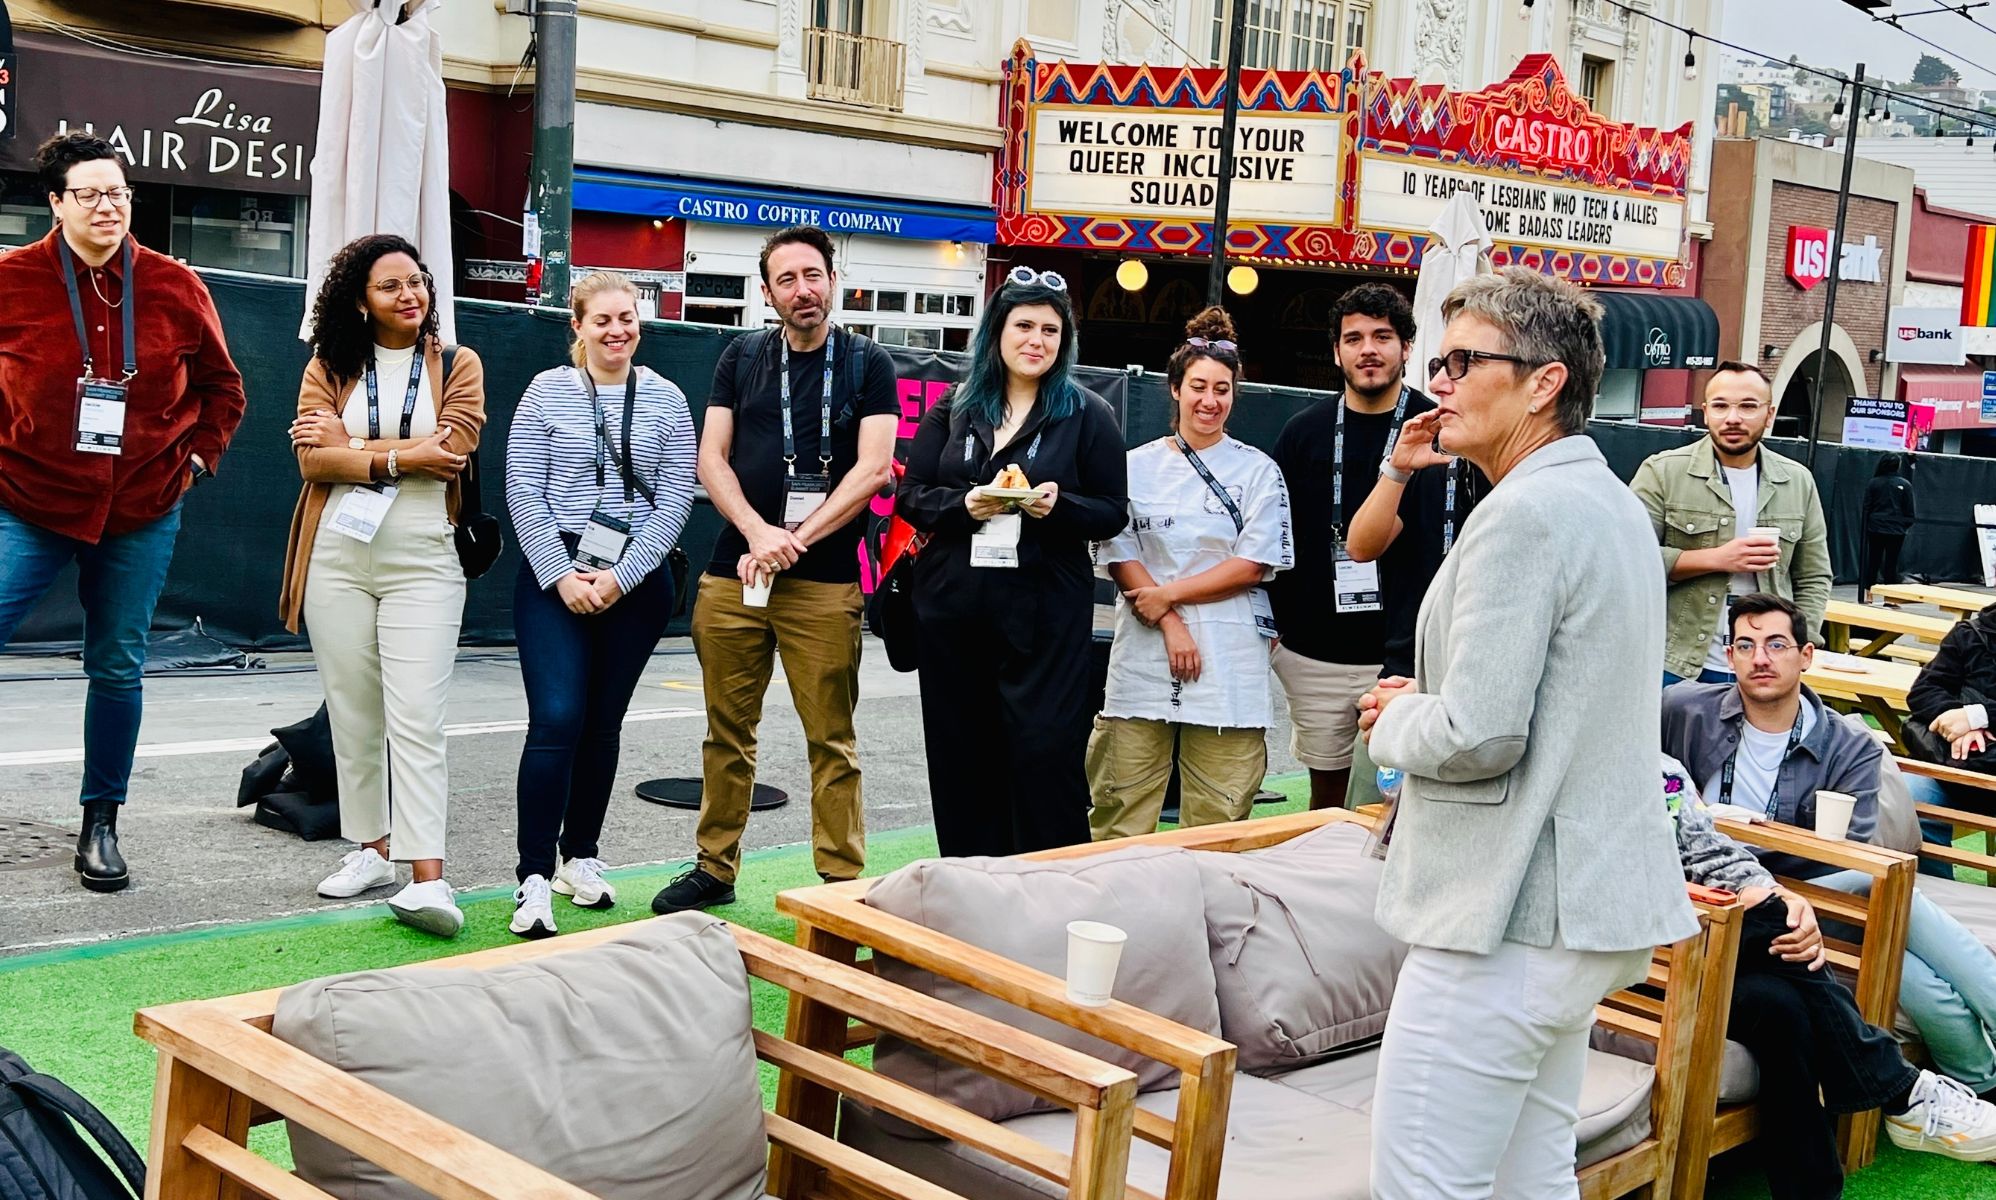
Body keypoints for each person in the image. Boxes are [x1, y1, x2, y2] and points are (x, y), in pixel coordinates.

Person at [1355, 268, 1697, 1197]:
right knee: (1529, 1175)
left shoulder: (1528, 515)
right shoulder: (1611, 502)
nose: (1441, 383)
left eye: (1464, 361)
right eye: (1442, 360)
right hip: (1575, 910)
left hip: (1506, 912)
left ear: (1544, 382)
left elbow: (1479, 733)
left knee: (1426, 1185)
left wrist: (1395, 720)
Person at [0, 133, 245, 893]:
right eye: (90, 194)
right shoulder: (10, 280)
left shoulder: (175, 284)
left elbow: (223, 389)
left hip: (141, 505)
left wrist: (199, 459)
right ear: (56, 202)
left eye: (118, 193)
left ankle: (101, 822)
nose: (108, 207)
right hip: (28, 499)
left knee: (117, 665)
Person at [652, 226, 897, 914]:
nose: (803, 290)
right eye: (787, 280)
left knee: (832, 741)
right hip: (735, 576)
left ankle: (842, 884)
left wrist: (797, 538)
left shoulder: (867, 362)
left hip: (823, 584)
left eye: (813, 275)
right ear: (767, 294)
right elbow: (711, 458)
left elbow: (872, 469)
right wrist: (760, 532)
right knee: (725, 732)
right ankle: (714, 867)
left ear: (832, 280)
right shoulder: (741, 355)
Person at [1664, 592, 1996, 1100]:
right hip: (1718, 900)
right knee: (1900, 943)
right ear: (1728, 656)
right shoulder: (1682, 712)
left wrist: (1758, 844)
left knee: (1875, 892)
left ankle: (1978, 1080)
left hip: (1818, 893)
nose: (1760, 659)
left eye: (1776, 644)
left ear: (1805, 656)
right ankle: (1979, 1078)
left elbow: (1849, 849)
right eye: (1746, 645)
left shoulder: (1850, 744)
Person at [1659, 754, 1996, 1196]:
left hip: (1721, 947)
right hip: (1646, 950)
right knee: (1776, 923)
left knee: (1779, 1004)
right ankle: (1900, 1089)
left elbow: (1712, 852)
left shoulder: (1663, 768)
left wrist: (1775, 892)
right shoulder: (1614, 752)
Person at [281, 233, 486, 938]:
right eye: (390, 286)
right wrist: (401, 456)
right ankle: (371, 849)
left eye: (417, 282)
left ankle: (429, 876)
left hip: (424, 559)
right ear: (359, 301)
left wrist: (357, 448)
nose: (410, 295)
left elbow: (452, 452)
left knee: (416, 717)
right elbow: (313, 461)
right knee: (354, 711)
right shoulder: (329, 364)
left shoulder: (458, 364)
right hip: (338, 554)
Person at [896, 266, 1130, 857]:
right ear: (997, 332)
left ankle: (1047, 889)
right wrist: (965, 503)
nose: (1037, 340)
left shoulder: (1087, 413)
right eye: (1024, 325)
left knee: (1043, 756)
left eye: (1051, 330)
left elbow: (1110, 511)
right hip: (953, 611)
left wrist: (1059, 505)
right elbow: (913, 494)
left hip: (1045, 616)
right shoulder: (955, 405)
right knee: (959, 757)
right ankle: (969, 888)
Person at [504, 272, 696, 939]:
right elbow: (523, 490)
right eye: (603, 320)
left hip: (635, 581)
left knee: (604, 723)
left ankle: (579, 857)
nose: (617, 331)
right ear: (577, 326)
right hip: (552, 571)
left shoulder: (668, 400)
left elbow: (675, 501)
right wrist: (562, 577)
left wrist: (623, 578)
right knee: (557, 717)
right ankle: (532, 876)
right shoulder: (545, 391)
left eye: (628, 319)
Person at [1088, 307, 1291, 840]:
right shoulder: (1134, 465)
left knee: (1220, 816)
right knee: (1120, 801)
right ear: (1174, 389)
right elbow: (1118, 546)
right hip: (1144, 644)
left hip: (1230, 650)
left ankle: (1209, 919)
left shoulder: (1257, 470)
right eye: (1198, 386)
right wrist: (1169, 618)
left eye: (1222, 389)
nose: (1210, 400)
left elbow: (1253, 563)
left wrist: (1169, 595)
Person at [1268, 284, 1432, 811]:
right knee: (1326, 799)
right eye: (1354, 337)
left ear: (1407, 346)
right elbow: (1276, 536)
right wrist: (1277, 631)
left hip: (1408, 657)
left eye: (1383, 336)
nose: (1368, 349)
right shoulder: (1303, 432)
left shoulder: (1439, 432)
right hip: (1314, 651)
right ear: (1336, 351)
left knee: (1402, 803)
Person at [1631, 361, 1832, 686]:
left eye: (1748, 406)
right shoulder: (1663, 472)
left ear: (1769, 414)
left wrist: (1799, 641)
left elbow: (1814, 575)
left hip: (1767, 664)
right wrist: (1717, 559)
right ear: (1706, 412)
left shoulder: (1797, 481)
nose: (1733, 418)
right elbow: (1627, 561)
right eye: (1721, 406)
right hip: (1676, 659)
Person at [1908, 601, 1996, 780]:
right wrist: (1959, 723)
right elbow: (1923, 691)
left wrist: (1976, 717)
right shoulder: (1970, 634)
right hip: (1955, 769)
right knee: (1902, 793)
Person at [1860, 454, 1916, 604]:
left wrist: (1868, 526)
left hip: (1876, 529)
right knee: (1892, 563)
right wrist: (1902, 526)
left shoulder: (1873, 483)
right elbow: (1910, 511)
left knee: (1873, 561)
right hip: (1896, 531)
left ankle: (1869, 595)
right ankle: (1890, 598)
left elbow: (1866, 507)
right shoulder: (1905, 484)